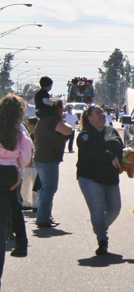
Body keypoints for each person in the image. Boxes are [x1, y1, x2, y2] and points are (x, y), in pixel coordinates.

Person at [76, 105, 123, 256]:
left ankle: (99, 228)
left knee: (115, 209)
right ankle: (102, 241)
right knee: (97, 208)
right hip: (90, 177)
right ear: (89, 118)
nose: (102, 114)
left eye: (103, 112)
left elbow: (121, 148)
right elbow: (88, 150)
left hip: (110, 177)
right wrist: (109, 156)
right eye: (98, 113)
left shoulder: (112, 131)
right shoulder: (84, 134)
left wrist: (128, 159)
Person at [0, 94, 34, 267]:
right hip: (11, 173)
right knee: (15, 205)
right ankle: (21, 242)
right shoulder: (18, 129)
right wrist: (18, 169)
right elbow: (27, 150)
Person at [33, 100, 72, 228]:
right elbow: (67, 130)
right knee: (49, 188)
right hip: (47, 159)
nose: (64, 112)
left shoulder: (44, 119)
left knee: (46, 189)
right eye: (62, 110)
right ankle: (43, 218)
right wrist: (64, 121)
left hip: (42, 158)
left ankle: (45, 216)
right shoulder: (52, 120)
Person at [20, 117, 39, 210]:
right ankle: (26, 203)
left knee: (35, 185)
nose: (27, 126)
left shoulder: (38, 135)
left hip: (35, 163)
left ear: (32, 125)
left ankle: (35, 205)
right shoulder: (30, 135)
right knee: (25, 184)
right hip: (27, 164)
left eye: (28, 124)